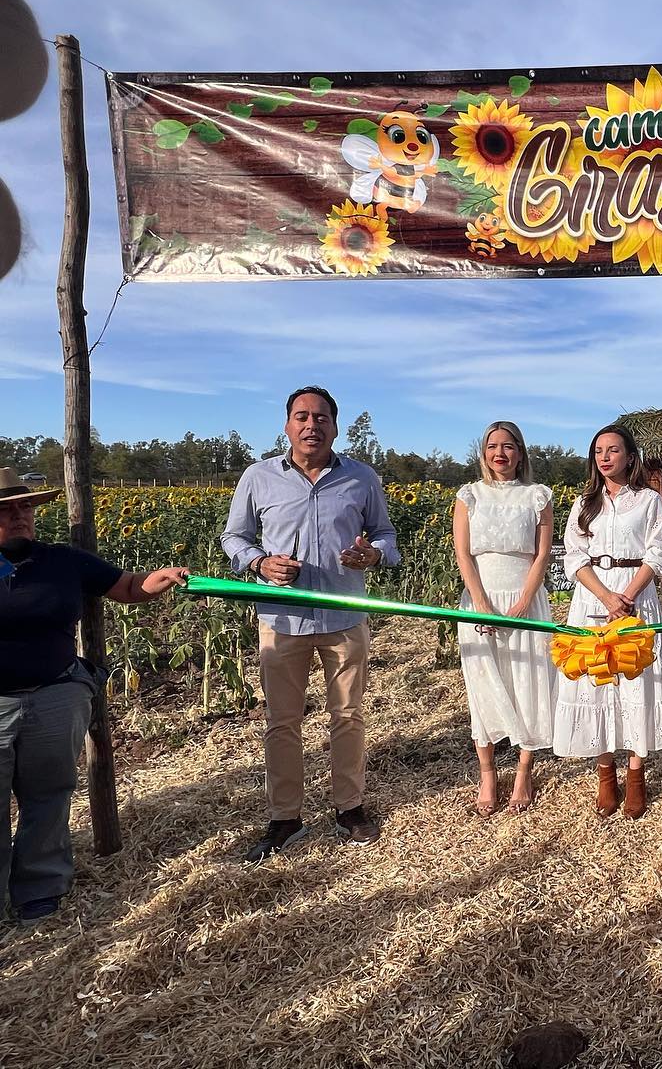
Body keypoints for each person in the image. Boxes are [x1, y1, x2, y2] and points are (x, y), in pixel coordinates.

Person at [0, 467, 188, 925]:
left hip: (54, 695)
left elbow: (125, 586)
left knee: (49, 793)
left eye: (25, 506)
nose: (20, 516)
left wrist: (160, 577)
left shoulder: (61, 560)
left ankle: (39, 889)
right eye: (7, 510)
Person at [221, 387, 400, 861]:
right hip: (282, 619)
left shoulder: (361, 478)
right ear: (287, 426)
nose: (312, 425)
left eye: (321, 417)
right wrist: (259, 564)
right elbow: (234, 537)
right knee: (282, 722)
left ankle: (350, 808)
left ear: (335, 427)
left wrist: (373, 555)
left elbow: (386, 534)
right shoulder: (259, 478)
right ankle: (285, 818)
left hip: (344, 616)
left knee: (347, 715)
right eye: (302, 416)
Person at [552, 424, 662, 818]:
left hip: (636, 593)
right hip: (593, 595)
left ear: (629, 456)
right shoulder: (584, 502)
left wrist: (628, 595)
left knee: (636, 678)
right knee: (598, 680)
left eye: (613, 450)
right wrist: (606, 596)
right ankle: (606, 773)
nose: (605, 458)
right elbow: (573, 555)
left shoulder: (649, 500)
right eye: (599, 451)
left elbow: (658, 553)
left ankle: (636, 774)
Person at [453, 421, 557, 816]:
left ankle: (524, 772)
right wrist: (480, 601)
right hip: (480, 598)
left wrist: (524, 603)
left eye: (508, 446)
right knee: (483, 682)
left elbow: (542, 554)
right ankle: (487, 773)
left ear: (520, 453)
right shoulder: (469, 495)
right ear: (484, 452)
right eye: (493, 446)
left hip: (525, 599)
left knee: (528, 682)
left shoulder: (537, 496)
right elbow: (463, 552)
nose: (500, 453)